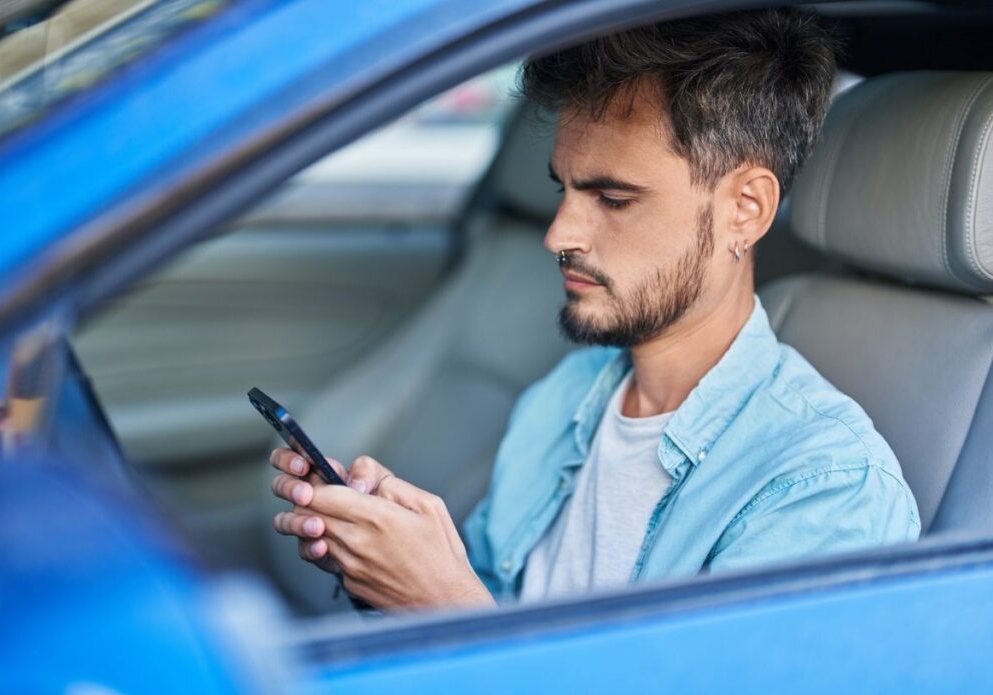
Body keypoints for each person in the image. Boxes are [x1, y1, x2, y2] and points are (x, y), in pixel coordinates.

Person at [268, 7, 920, 610]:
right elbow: (494, 610)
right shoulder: (563, 400)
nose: (558, 236)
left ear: (744, 209)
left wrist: (447, 606)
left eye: (612, 198)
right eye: (566, 190)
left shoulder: (822, 488)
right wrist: (390, 573)